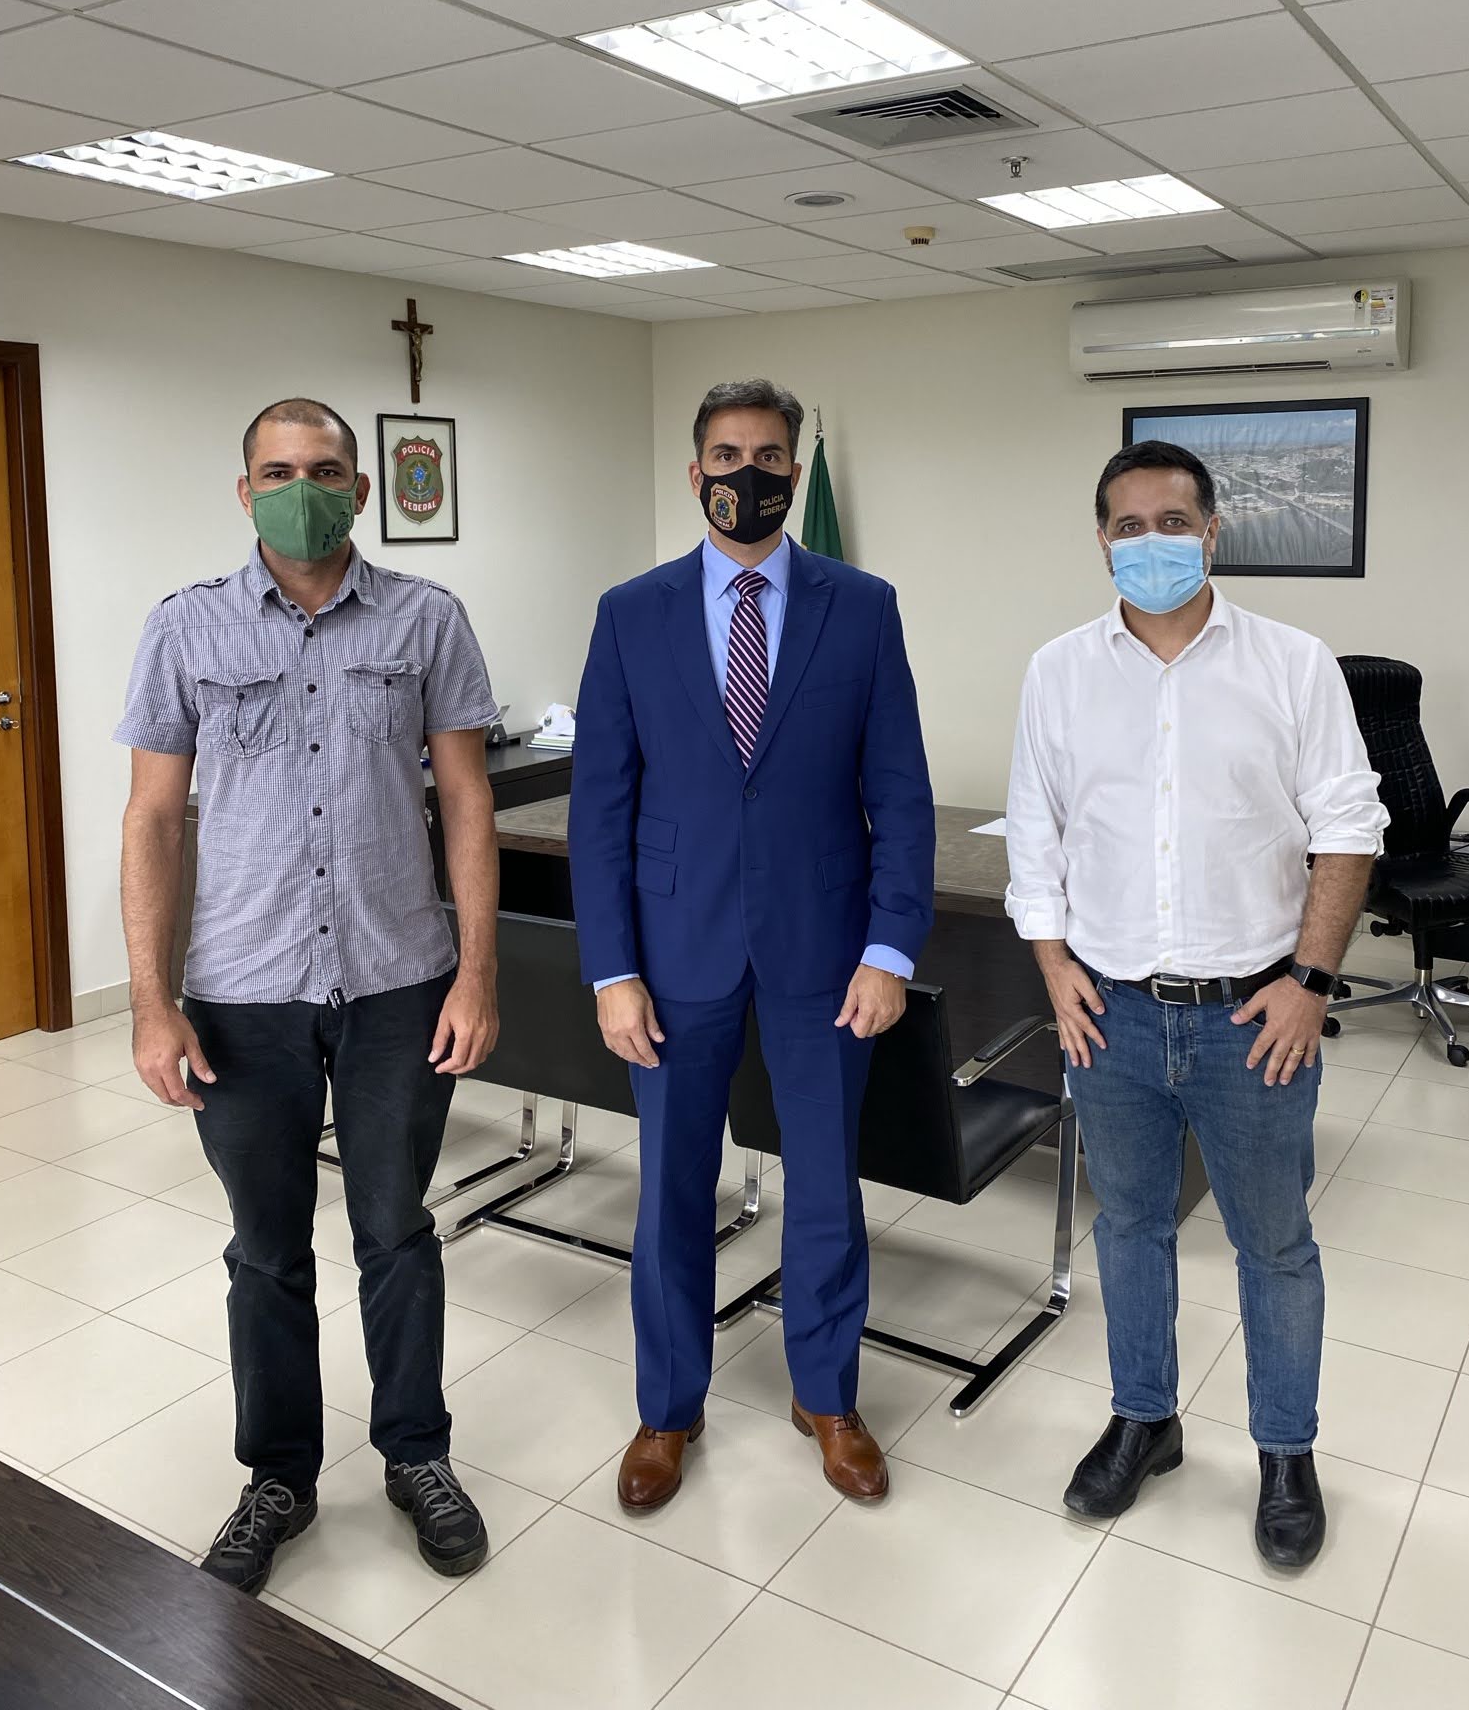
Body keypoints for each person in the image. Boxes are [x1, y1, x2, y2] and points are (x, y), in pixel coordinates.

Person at [116, 397, 502, 1597]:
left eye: (326, 470)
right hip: (243, 991)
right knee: (267, 1250)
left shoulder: (427, 617)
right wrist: (150, 1000)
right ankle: (278, 1475)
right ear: (245, 492)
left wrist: (478, 970)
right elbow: (153, 818)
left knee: (397, 1231)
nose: (303, 488)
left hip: (399, 980)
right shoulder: (184, 626)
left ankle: (417, 1453)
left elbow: (467, 799)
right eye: (279, 471)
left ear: (361, 489)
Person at [1006, 439, 1386, 1568]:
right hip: (1110, 1013)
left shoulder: (1293, 664)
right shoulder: (1058, 672)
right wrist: (1053, 966)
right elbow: (1036, 832)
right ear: (1101, 541)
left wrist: (1310, 983)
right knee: (1127, 1227)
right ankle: (1145, 1419)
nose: (1151, 542)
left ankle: (1285, 1451)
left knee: (1274, 1245)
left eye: (1172, 521)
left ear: (1212, 532)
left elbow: (1349, 828)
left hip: (1253, 1019)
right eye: (1128, 525)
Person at [570, 378, 935, 1510]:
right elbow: (601, 806)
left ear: (793, 470)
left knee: (825, 1187)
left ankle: (826, 1396)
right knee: (672, 1191)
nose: (748, 473)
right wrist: (612, 969)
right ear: (696, 474)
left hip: (825, 950)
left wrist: (892, 948)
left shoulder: (860, 605)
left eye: (769, 456)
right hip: (672, 951)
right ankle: (667, 1407)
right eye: (727, 455)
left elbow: (900, 792)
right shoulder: (631, 611)